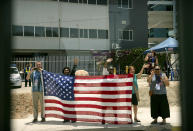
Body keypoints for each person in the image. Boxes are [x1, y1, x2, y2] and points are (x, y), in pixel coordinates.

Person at [62, 58, 78, 123]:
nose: (66, 71)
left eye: (67, 70)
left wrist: (75, 65)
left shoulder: (71, 76)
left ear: (69, 71)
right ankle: (66, 118)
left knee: (71, 106)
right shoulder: (61, 77)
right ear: (63, 71)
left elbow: (73, 71)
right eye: (65, 70)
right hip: (64, 94)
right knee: (65, 107)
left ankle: (73, 119)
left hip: (71, 93)